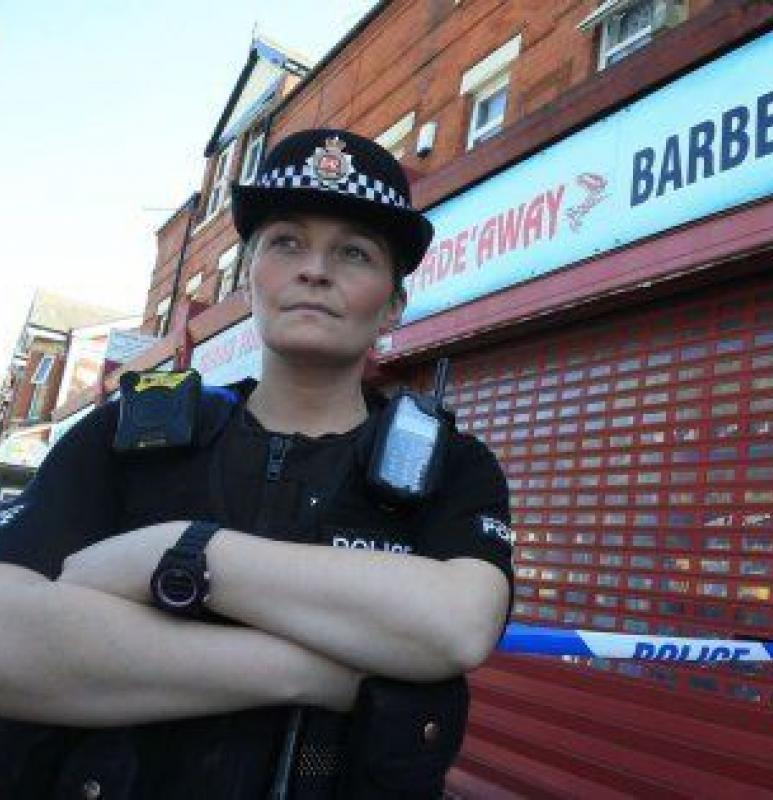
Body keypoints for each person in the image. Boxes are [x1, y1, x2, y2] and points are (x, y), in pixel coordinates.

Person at [0, 129, 514, 798]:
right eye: (287, 243)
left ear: (393, 304)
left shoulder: (453, 467)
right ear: (249, 280)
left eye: (354, 253)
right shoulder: (121, 437)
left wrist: (176, 553)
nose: (315, 270)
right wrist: (319, 674)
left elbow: (459, 625)